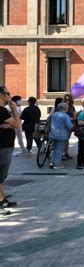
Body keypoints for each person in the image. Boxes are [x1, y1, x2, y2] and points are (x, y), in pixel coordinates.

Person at [0, 86, 21, 214]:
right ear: (1, 95)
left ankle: (2, 200)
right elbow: (18, 124)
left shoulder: (3, 111)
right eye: (7, 93)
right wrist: (14, 109)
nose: (9, 96)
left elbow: (14, 124)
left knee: (1, 176)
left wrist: (9, 124)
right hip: (2, 146)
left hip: (6, 145)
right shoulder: (2, 111)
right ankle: (1, 202)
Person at [48, 103, 74, 169]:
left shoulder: (54, 114)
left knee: (54, 149)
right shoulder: (66, 116)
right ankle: (56, 164)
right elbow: (69, 126)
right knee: (59, 149)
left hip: (53, 134)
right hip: (62, 135)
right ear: (65, 108)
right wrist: (73, 126)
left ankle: (52, 162)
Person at [63, 94, 76, 160]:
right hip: (62, 125)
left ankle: (66, 153)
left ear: (70, 100)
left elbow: (74, 116)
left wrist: (72, 118)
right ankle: (63, 153)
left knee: (66, 139)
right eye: (65, 99)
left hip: (69, 125)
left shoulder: (72, 107)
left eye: (68, 99)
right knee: (63, 139)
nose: (66, 101)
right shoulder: (62, 106)